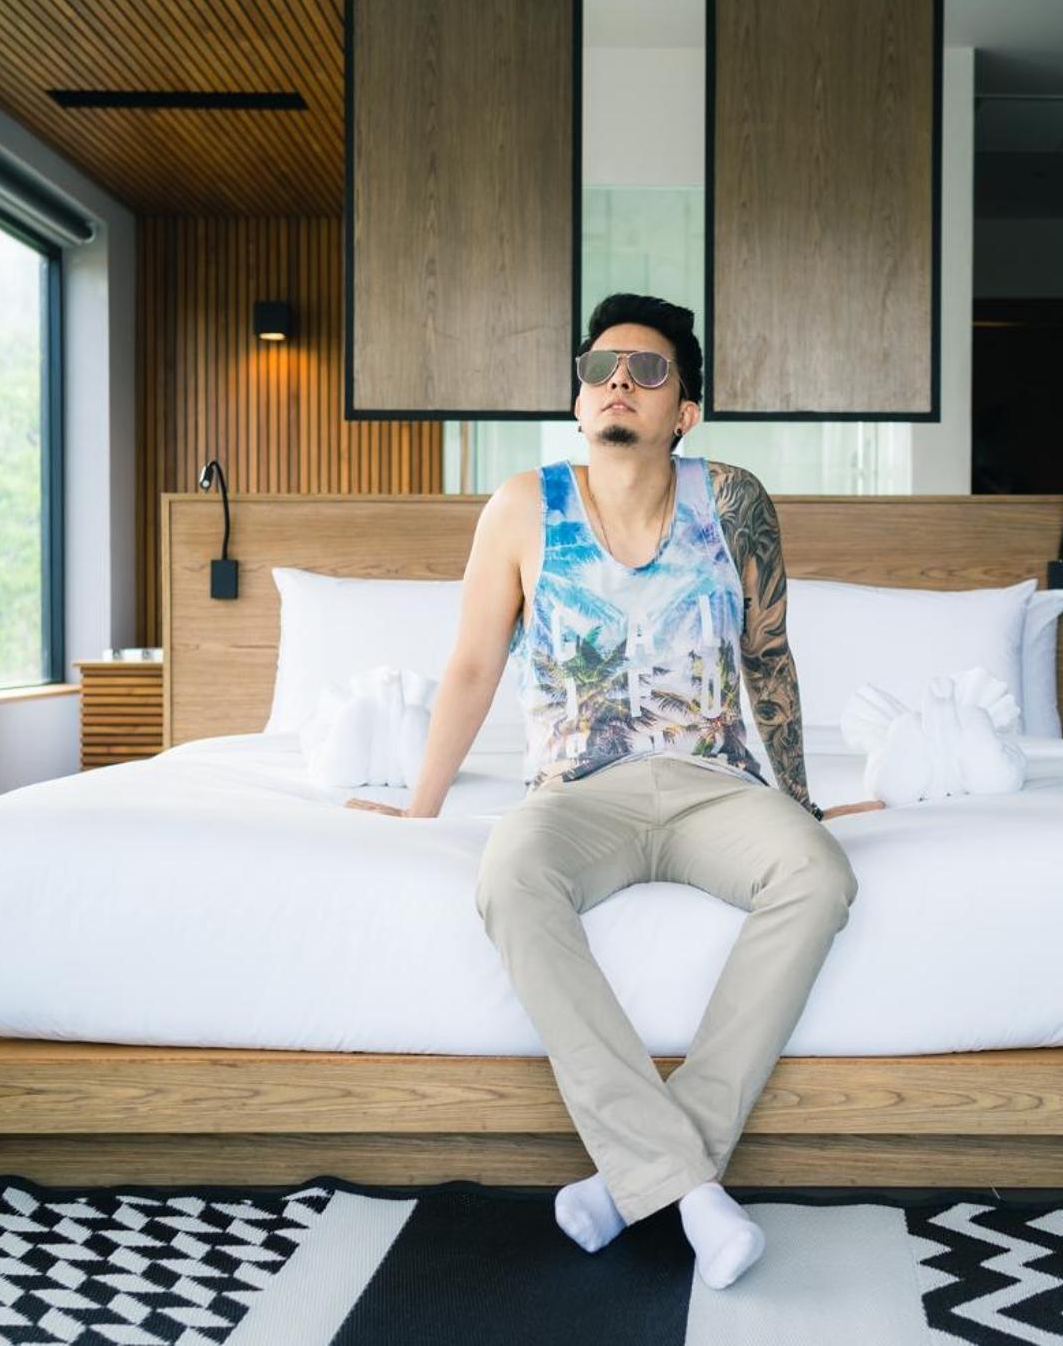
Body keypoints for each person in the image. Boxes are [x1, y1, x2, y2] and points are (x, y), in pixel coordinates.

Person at [345, 292, 883, 1289]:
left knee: (817, 873)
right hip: (573, 795)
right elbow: (472, 664)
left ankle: (635, 1178)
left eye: (648, 369)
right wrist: (420, 808)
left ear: (686, 411)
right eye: (600, 369)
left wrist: (801, 798)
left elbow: (768, 656)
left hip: (714, 786)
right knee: (508, 877)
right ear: (578, 398)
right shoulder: (522, 507)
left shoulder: (733, 501)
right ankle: (689, 1188)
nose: (619, 382)